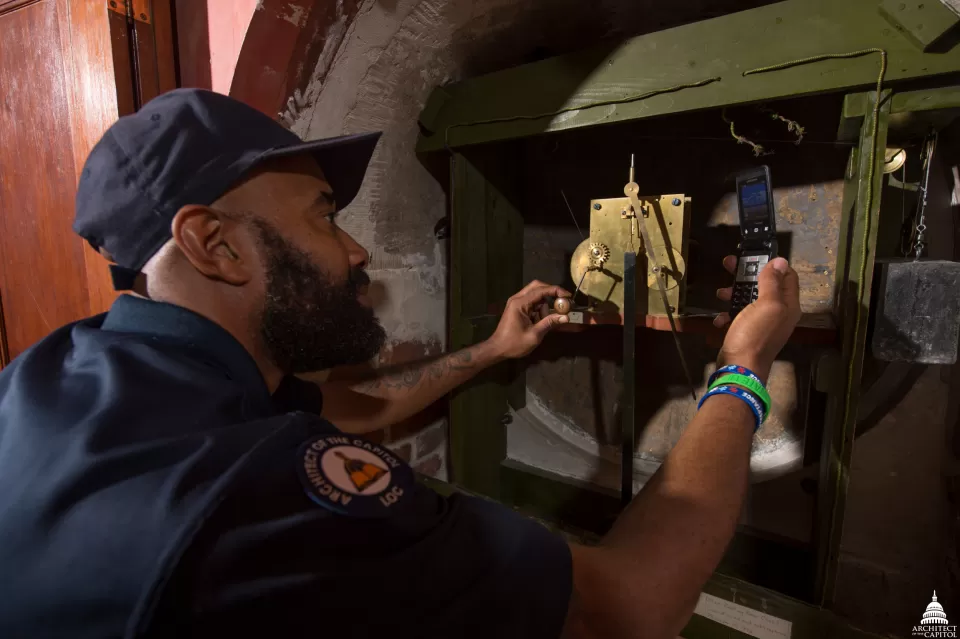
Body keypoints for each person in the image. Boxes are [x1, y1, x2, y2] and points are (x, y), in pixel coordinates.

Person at [0, 89, 801, 639]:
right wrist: (743, 362)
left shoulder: (43, 377)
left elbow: (354, 408)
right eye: (323, 215)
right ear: (214, 243)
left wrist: (492, 350)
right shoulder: (252, 492)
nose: (356, 250)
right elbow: (627, 611)